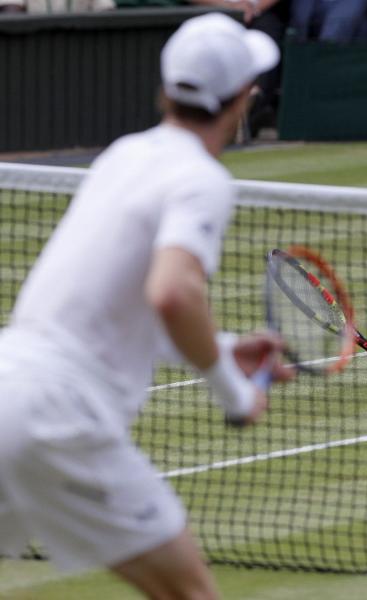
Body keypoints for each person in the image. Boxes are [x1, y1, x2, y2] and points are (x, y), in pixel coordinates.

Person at [0, 13, 294, 599]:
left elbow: (119, 305)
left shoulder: (123, 154)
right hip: (60, 416)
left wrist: (225, 347)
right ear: (243, 99)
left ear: (165, 91)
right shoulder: (200, 177)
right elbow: (172, 292)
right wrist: (232, 392)